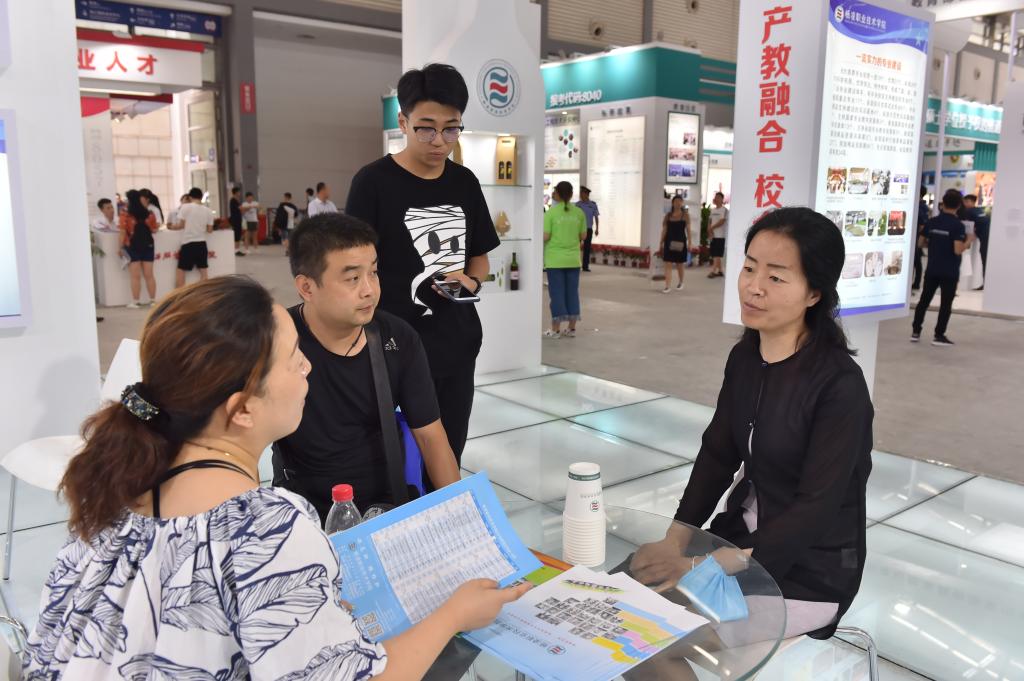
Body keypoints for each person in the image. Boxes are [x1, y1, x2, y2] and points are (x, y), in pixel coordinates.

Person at [25, 276, 528, 679]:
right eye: (293, 358)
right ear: (242, 409)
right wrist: (454, 614)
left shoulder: (114, 490)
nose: (308, 366)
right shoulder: (265, 528)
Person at [630, 206, 873, 650]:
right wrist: (675, 538)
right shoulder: (745, 358)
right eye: (748, 268)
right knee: (622, 606)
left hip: (808, 570)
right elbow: (717, 454)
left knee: (657, 640)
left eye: (776, 277)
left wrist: (702, 567)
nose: (753, 286)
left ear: (814, 293)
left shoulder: (839, 386)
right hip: (736, 541)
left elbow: (815, 510)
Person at [346, 63, 499, 481]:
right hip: (389, 347)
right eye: (426, 129)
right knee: (390, 464)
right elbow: (351, 266)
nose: (439, 142)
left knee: (448, 453)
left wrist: (471, 280)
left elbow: (480, 258)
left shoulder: (464, 182)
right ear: (403, 122)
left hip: (455, 344)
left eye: (451, 130)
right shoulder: (373, 183)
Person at [273, 214, 462, 521]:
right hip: (302, 510)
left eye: (373, 273)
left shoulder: (397, 338)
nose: (369, 290)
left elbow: (431, 436)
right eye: (352, 278)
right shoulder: (277, 340)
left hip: (384, 505)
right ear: (307, 287)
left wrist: (461, 515)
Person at [912, 189, 973, 346]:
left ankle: (916, 332)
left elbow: (920, 243)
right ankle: (939, 335)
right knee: (946, 304)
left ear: (943, 203)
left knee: (924, 301)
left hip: (932, 268)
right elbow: (957, 250)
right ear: (958, 206)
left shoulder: (932, 222)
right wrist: (969, 241)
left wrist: (935, 244)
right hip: (949, 271)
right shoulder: (958, 226)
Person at [543, 181, 587, 339]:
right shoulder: (579, 213)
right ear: (571, 194)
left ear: (557, 195)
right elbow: (583, 236)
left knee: (557, 295)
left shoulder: (551, 213)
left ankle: (555, 330)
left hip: (555, 260)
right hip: (573, 260)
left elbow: (545, 236)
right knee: (572, 293)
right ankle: (571, 328)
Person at [119, 189, 159, 308]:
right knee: (149, 275)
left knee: (135, 276)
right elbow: (154, 229)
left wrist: (120, 247)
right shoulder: (149, 213)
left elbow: (122, 232)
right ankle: (153, 301)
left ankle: (135, 302)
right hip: (148, 246)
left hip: (132, 247)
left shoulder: (125, 213)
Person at [169, 187, 215, 288]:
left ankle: (180, 294)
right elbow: (210, 230)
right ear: (201, 197)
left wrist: (170, 227)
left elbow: (181, 225)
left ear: (190, 197)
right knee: (204, 272)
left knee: (181, 271)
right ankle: (204, 293)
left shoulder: (185, 207)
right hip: (202, 244)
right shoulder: (208, 211)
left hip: (188, 244)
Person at [660, 195, 692, 292]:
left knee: (679, 264)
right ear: (672, 203)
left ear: (682, 203)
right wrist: (661, 242)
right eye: (676, 201)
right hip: (668, 242)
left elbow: (688, 230)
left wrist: (690, 242)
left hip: (680, 242)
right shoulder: (668, 215)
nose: (678, 203)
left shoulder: (685, 215)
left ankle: (681, 282)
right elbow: (664, 229)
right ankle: (667, 286)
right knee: (668, 263)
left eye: (680, 201)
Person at [962, 193, 989, 288]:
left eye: (967, 201)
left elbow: (968, 227)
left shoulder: (968, 212)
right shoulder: (980, 210)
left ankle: (985, 284)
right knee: (985, 261)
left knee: (985, 261)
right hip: (986, 239)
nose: (965, 204)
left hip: (984, 240)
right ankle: (986, 283)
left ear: (972, 202)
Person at [575, 186, 600, 272]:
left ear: (586, 194)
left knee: (587, 248)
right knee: (576, 247)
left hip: (588, 229)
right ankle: (575, 265)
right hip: (578, 229)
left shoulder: (593, 205)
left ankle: (585, 266)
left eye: (582, 193)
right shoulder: (577, 205)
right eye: (580, 193)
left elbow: (596, 217)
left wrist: (597, 229)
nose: (580, 195)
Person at [707, 192, 728, 278]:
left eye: (718, 197)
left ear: (722, 199)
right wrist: (709, 231)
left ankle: (713, 271)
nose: (716, 199)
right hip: (713, 235)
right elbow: (709, 221)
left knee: (717, 254)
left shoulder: (724, 210)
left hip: (720, 235)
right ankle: (720, 271)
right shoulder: (712, 210)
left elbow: (722, 221)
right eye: (716, 197)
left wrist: (712, 228)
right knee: (715, 253)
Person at [914, 186, 929, 290]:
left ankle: (917, 282)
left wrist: (919, 239)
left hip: (916, 238)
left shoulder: (921, 207)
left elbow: (922, 226)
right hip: (916, 238)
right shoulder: (921, 206)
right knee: (916, 261)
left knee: (916, 261)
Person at [229, 186, 245, 257]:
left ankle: (237, 250)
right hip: (235, 220)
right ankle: (236, 250)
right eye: (239, 192)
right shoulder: (233, 200)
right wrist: (250, 207)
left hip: (238, 219)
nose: (240, 193)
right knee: (237, 235)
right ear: (236, 192)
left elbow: (241, 210)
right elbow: (241, 208)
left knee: (238, 234)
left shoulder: (237, 200)